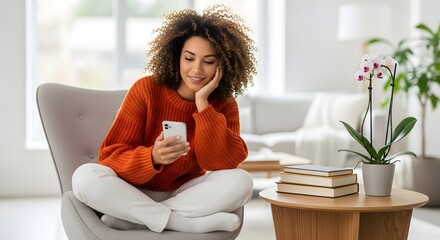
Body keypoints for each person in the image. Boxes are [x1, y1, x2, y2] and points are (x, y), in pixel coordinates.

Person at [72, 4, 257, 234]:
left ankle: (138, 219)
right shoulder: (146, 90)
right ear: (176, 56)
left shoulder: (224, 103)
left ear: (223, 65)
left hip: (183, 193)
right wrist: (152, 157)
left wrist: (203, 106)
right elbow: (109, 157)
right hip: (132, 190)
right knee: (84, 177)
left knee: (242, 182)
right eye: (189, 58)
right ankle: (180, 223)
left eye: (208, 61)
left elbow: (222, 164)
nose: (196, 69)